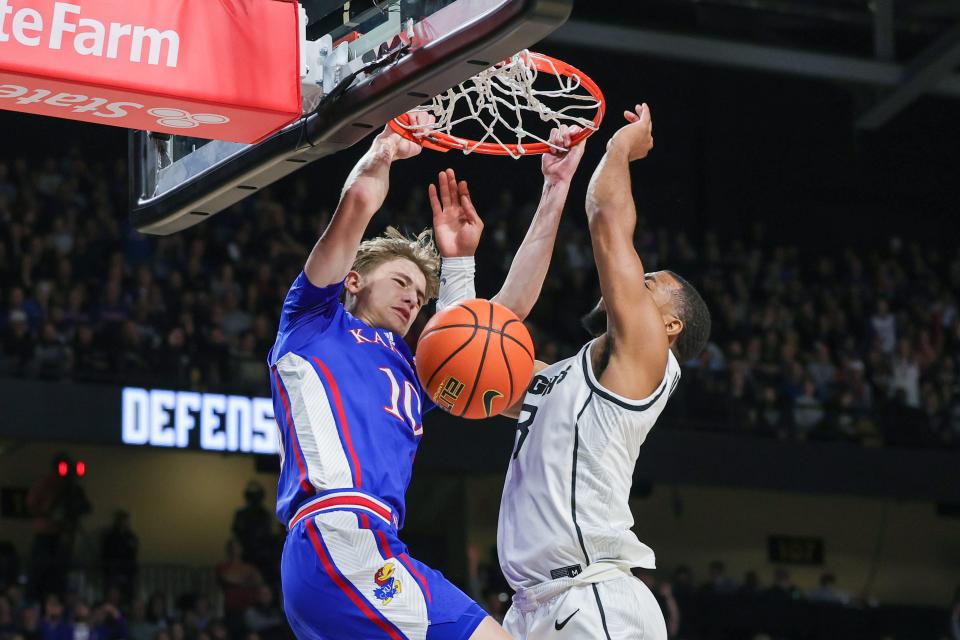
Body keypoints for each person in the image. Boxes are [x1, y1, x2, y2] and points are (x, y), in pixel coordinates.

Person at [268, 113, 586, 640]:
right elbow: (357, 206)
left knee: (535, 371)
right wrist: (384, 152)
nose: (413, 298)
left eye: (420, 294)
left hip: (359, 548)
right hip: (340, 535)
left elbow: (497, 328)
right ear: (353, 281)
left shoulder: (413, 373)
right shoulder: (312, 323)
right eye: (399, 282)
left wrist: (554, 189)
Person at [496, 104, 711, 639]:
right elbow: (473, 380)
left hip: (591, 599)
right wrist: (458, 265)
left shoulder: (647, 360)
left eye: (652, 280)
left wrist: (620, 147)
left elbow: (607, 219)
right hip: (533, 606)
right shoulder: (566, 378)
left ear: (670, 325)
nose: (638, 280)